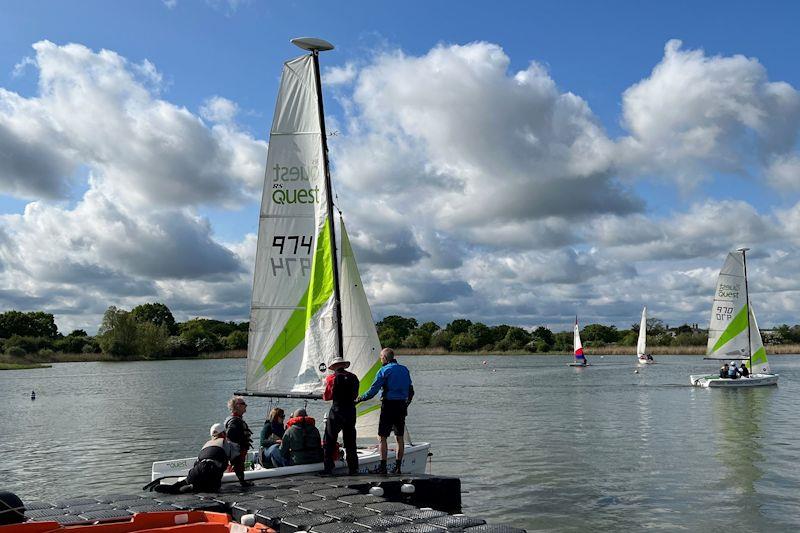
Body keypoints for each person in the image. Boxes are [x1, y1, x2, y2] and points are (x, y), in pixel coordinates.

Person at [356, 347, 414, 475]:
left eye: (381, 357)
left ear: (385, 358)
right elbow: (411, 390)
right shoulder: (404, 369)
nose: (380, 359)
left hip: (388, 406)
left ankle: (383, 467)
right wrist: (406, 403)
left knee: (382, 437)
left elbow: (373, 391)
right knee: (399, 437)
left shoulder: (383, 370)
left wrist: (359, 399)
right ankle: (398, 468)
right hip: (401, 406)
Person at [154, 424, 241, 493]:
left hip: (197, 469)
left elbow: (197, 463)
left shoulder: (207, 444)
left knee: (187, 480)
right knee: (211, 488)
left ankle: (175, 486)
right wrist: (243, 481)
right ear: (223, 434)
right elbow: (237, 462)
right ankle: (193, 487)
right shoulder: (227, 444)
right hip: (211, 470)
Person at [322, 356, 360, 475]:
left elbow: (327, 397)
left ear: (333, 367)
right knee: (350, 441)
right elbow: (355, 395)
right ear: (343, 365)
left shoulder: (331, 378)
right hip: (350, 411)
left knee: (329, 439)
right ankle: (353, 469)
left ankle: (328, 469)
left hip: (337, 411)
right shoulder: (354, 377)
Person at [225, 396, 254, 486]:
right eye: (243, 404)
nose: (246, 405)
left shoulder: (234, 419)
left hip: (239, 451)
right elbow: (229, 436)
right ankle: (241, 481)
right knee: (238, 465)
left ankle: (241, 480)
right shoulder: (234, 421)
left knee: (238, 465)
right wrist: (237, 447)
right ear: (237, 406)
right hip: (237, 451)